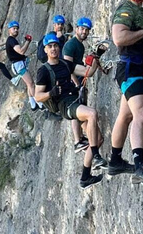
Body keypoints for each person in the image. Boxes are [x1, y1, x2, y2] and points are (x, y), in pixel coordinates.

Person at [34, 34, 108, 189]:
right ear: (45, 50)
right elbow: (37, 96)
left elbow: (88, 72)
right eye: (50, 46)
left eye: (55, 46)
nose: (53, 48)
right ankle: (95, 155)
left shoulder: (65, 64)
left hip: (74, 102)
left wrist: (96, 56)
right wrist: (50, 93)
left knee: (98, 139)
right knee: (92, 113)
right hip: (65, 106)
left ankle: (85, 177)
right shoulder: (43, 71)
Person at [108, 0, 143, 184]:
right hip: (130, 68)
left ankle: (115, 160)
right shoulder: (126, 9)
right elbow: (119, 38)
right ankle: (139, 166)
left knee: (125, 116)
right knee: (140, 112)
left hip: (140, 68)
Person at [63, 17, 95, 153]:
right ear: (76, 29)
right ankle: (77, 140)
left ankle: (80, 139)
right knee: (76, 110)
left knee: (78, 110)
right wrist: (77, 84)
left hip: (77, 80)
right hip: (71, 82)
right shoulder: (70, 44)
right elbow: (67, 66)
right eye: (82, 29)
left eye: (86, 30)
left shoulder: (80, 45)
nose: (84, 32)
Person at [5, 20, 42, 110]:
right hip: (18, 65)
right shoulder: (11, 40)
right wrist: (28, 41)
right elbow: (21, 51)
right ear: (9, 30)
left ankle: (33, 104)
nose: (16, 30)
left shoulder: (11, 40)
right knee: (31, 84)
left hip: (19, 64)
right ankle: (40, 103)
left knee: (29, 84)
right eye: (14, 28)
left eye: (17, 29)